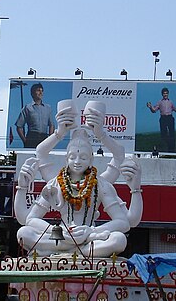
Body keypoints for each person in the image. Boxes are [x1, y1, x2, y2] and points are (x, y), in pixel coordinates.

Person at [14, 102, 142, 258]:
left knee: (119, 239)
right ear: (66, 158)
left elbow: (123, 222)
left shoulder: (99, 183)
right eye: (72, 157)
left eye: (83, 157)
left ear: (91, 159)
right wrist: (59, 232)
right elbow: (30, 219)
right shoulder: (56, 182)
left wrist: (91, 231)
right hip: (61, 236)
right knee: (23, 233)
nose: (77, 161)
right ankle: (75, 251)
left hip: (89, 237)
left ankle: (64, 252)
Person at [146, 87, 176, 152]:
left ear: (168, 94)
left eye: (166, 93)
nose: (165, 95)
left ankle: (172, 149)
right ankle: (167, 146)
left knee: (172, 134)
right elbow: (154, 110)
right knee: (163, 134)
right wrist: (150, 107)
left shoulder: (171, 102)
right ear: (162, 94)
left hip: (170, 118)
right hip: (163, 118)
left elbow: (175, 109)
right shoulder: (159, 102)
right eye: (164, 93)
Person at [15, 83, 55, 148]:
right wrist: (25, 141)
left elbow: (51, 125)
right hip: (32, 137)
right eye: (38, 90)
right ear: (32, 93)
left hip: (44, 138)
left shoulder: (48, 108)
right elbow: (19, 126)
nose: (41, 93)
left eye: (42, 91)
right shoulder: (27, 108)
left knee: (44, 157)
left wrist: (50, 140)